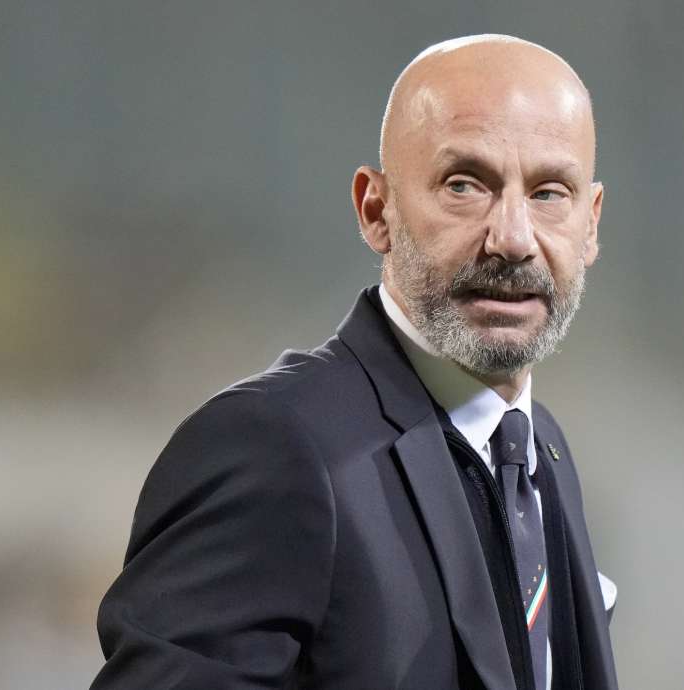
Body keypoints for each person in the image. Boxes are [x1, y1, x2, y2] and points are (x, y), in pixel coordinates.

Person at [91, 34, 617, 690]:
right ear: (376, 211)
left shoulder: (539, 451)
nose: (512, 239)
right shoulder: (271, 445)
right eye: (464, 185)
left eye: (549, 193)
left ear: (590, 223)